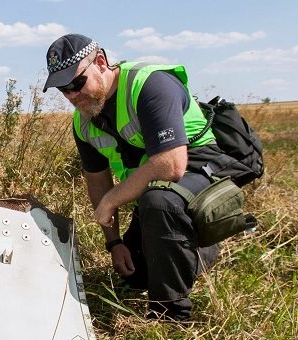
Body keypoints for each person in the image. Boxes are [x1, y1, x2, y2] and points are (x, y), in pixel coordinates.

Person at [42, 34, 238, 320]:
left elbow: (171, 165)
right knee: (136, 275)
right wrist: (114, 242)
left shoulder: (149, 85)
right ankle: (187, 250)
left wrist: (111, 200)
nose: (72, 95)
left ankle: (170, 313)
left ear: (100, 62)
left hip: (201, 170)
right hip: (152, 190)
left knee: (160, 203)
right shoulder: (84, 122)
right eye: (63, 89)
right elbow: (98, 181)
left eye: (76, 83)